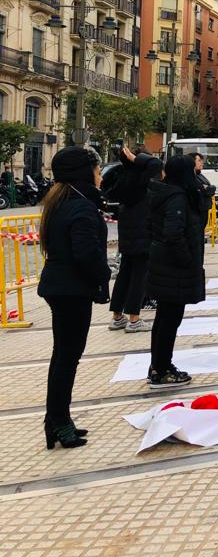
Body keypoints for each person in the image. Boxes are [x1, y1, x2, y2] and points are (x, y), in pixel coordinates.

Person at [38, 147, 110, 449]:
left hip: (60, 287)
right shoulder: (80, 206)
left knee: (64, 356)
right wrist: (103, 274)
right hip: (71, 289)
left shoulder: (61, 200)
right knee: (67, 358)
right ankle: (59, 421)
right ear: (85, 172)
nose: (100, 176)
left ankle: (56, 419)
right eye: (97, 169)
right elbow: (85, 252)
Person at [147, 154, 207, 389]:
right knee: (169, 319)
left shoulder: (166, 194)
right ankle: (161, 369)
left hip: (165, 264)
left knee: (165, 318)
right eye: (193, 170)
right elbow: (174, 233)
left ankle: (159, 365)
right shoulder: (176, 198)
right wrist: (187, 259)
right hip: (174, 267)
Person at [106, 146, 162, 333]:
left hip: (127, 237)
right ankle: (134, 319)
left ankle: (117, 316)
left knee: (124, 275)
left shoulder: (125, 179)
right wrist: (137, 158)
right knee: (139, 277)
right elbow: (156, 164)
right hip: (143, 235)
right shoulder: (142, 180)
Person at [190, 152, 217, 216]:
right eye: (199, 160)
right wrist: (206, 188)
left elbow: (210, 188)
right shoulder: (191, 176)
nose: (202, 163)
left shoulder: (199, 174)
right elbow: (204, 190)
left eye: (202, 161)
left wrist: (209, 187)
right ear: (191, 162)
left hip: (204, 208)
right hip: (198, 210)